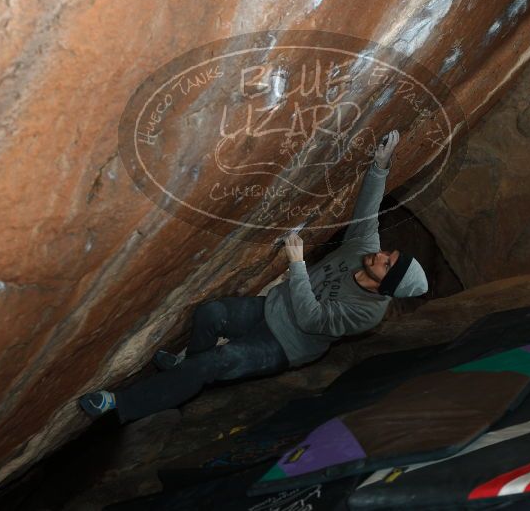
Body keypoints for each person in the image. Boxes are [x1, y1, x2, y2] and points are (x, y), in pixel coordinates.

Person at [79, 130, 428, 423]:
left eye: (385, 262)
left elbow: (312, 319)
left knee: (218, 362)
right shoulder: (364, 248)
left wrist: (297, 263)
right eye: (388, 253)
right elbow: (369, 210)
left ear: (385, 285)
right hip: (272, 307)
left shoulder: (368, 313)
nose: (380, 254)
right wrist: (380, 165)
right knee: (210, 314)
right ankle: (185, 369)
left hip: (287, 345)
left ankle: (119, 403)